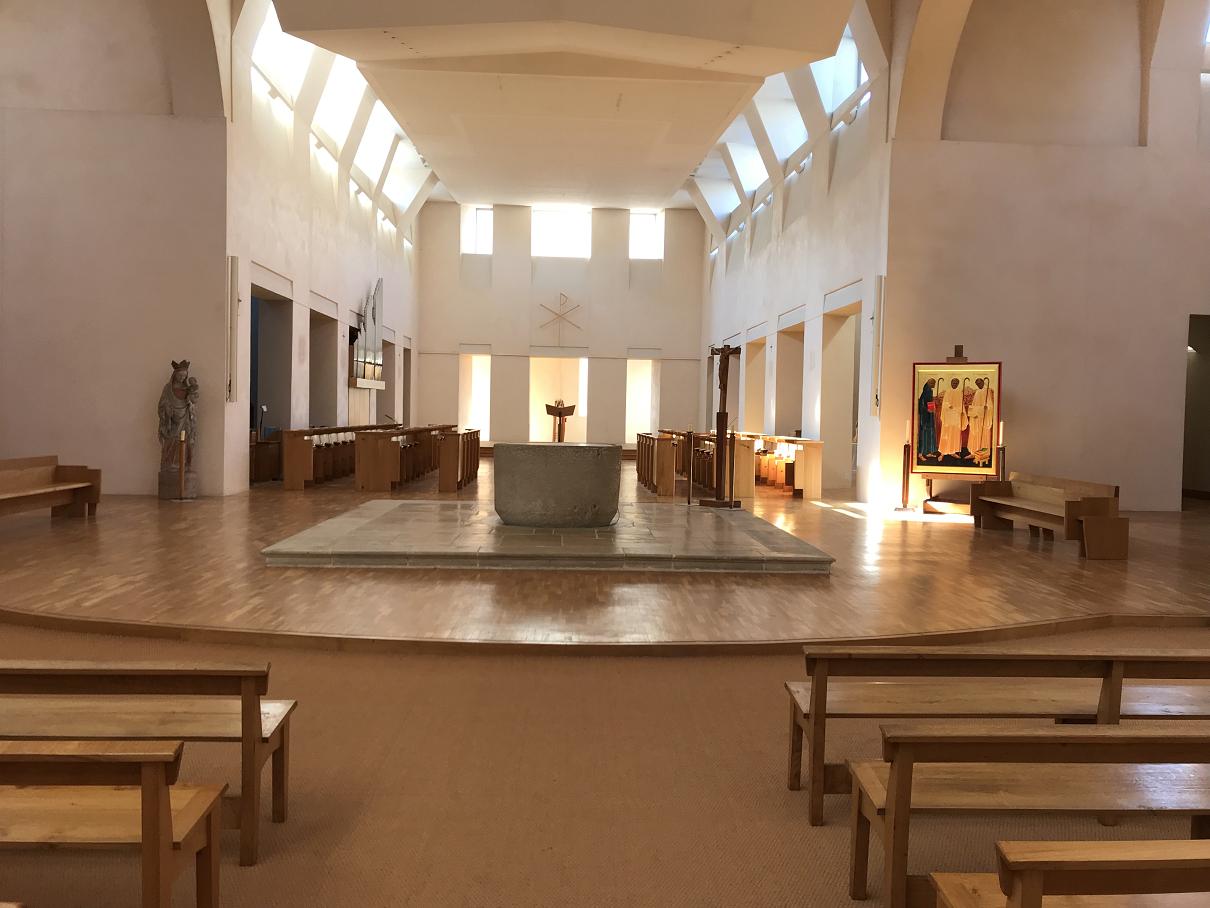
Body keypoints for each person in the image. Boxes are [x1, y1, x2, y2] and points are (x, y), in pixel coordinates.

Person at [966, 376, 995, 466]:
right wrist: (973, 411)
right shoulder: (977, 392)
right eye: (977, 384)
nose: (979, 385)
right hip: (976, 418)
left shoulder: (987, 391)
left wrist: (987, 408)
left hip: (984, 418)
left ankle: (982, 455)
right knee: (975, 434)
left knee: (983, 436)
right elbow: (974, 405)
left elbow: (990, 405)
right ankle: (973, 452)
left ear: (983, 383)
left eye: (980, 383)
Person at [937, 376, 966, 459]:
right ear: (951, 383)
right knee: (946, 434)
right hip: (948, 416)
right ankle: (943, 452)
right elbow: (945, 403)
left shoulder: (959, 392)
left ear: (958, 384)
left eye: (956, 383)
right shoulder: (948, 391)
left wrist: (962, 412)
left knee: (954, 434)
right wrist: (949, 406)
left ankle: (953, 451)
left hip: (956, 416)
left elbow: (961, 404)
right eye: (953, 383)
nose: (954, 384)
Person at [916, 378, 938, 461]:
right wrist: (927, 410)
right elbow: (921, 405)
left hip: (929, 416)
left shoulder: (930, 391)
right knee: (923, 434)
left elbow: (930, 403)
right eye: (933, 383)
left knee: (929, 434)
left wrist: (932, 407)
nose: (934, 385)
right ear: (930, 383)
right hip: (925, 417)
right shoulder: (926, 392)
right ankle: (920, 454)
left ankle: (928, 452)